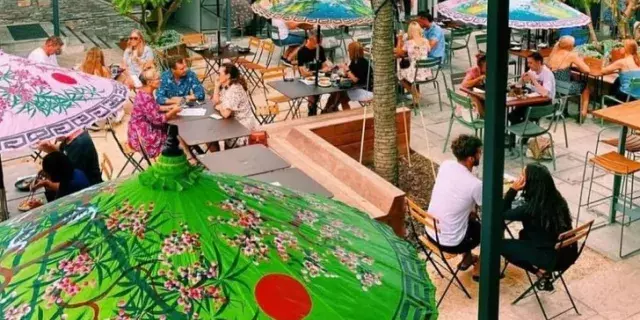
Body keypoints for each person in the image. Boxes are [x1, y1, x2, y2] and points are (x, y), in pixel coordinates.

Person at [502, 164, 577, 290]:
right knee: (523, 234)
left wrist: (512, 190)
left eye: (522, 176)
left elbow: (502, 214)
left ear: (530, 182)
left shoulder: (531, 209)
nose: (519, 178)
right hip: (568, 253)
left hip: (551, 258)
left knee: (497, 245)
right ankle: (543, 272)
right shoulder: (557, 199)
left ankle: (539, 272)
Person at [427, 134, 483, 276]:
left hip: (431, 233)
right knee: (491, 228)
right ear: (471, 158)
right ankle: (481, 269)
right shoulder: (475, 185)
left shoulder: (446, 165)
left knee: (468, 218)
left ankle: (467, 259)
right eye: (479, 152)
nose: (480, 155)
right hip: (451, 243)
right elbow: (487, 208)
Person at [128, 68, 182, 158]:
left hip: (135, 132)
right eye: (157, 78)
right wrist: (173, 111)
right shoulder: (146, 98)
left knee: (173, 129)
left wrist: (169, 107)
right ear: (149, 82)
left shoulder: (143, 92)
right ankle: (181, 159)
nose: (160, 80)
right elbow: (158, 120)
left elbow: (154, 107)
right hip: (144, 138)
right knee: (175, 136)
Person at [212, 63, 258, 148]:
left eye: (219, 74)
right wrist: (216, 86)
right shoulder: (227, 86)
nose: (217, 76)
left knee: (213, 134)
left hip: (242, 126)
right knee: (212, 134)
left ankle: (224, 156)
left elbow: (226, 114)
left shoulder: (234, 90)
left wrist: (220, 107)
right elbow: (215, 101)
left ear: (228, 76)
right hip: (233, 122)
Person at [290, 30, 333, 116]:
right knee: (313, 90)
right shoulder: (302, 51)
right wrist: (317, 72)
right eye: (318, 40)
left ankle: (328, 109)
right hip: (307, 80)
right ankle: (312, 108)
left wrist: (328, 68)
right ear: (310, 38)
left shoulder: (320, 49)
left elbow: (324, 65)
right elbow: (303, 73)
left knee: (336, 90)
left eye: (321, 40)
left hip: (320, 77)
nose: (320, 42)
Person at [37, 130, 102, 186]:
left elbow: (68, 176)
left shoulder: (79, 144)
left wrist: (47, 184)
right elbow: (62, 150)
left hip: (90, 186)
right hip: (78, 180)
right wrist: (48, 147)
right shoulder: (71, 137)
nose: (55, 138)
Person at [548, 36, 591, 119]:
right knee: (585, 86)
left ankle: (564, 110)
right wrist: (580, 61)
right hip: (563, 88)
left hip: (553, 86)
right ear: (570, 46)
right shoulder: (571, 55)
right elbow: (587, 70)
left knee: (573, 78)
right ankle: (583, 112)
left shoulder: (553, 53)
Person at [509, 52, 556, 128]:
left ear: (538, 62)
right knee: (513, 115)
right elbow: (519, 86)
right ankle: (518, 135)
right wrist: (521, 79)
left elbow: (545, 93)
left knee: (518, 115)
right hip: (534, 100)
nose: (528, 65)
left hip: (546, 103)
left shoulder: (547, 73)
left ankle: (525, 132)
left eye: (531, 63)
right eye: (528, 63)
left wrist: (533, 79)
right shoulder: (532, 71)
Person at [325, 41, 373, 111]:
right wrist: (345, 69)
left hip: (366, 91)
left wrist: (347, 70)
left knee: (341, 96)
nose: (348, 51)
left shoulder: (361, 63)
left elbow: (355, 79)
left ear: (352, 51)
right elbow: (349, 74)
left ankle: (331, 110)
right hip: (359, 87)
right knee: (338, 94)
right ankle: (331, 109)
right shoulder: (355, 61)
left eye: (348, 50)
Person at [396, 21, 431, 103]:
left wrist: (399, 39)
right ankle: (416, 99)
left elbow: (398, 53)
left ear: (410, 31)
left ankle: (415, 94)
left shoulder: (409, 43)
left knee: (399, 75)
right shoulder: (426, 41)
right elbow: (428, 50)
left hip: (415, 72)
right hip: (426, 72)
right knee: (410, 72)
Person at [461, 52, 487, 117]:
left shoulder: (488, 72)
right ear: (481, 65)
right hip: (469, 98)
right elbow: (464, 84)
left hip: (481, 94)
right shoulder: (474, 70)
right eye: (487, 66)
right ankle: (483, 117)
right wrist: (478, 79)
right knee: (473, 97)